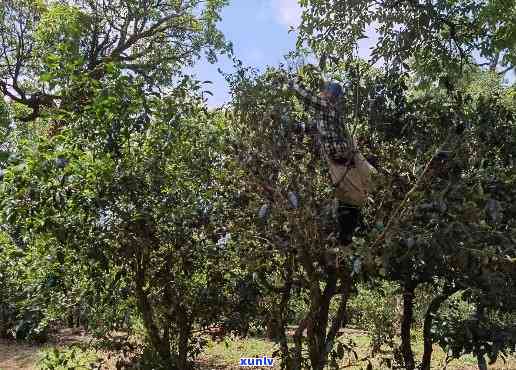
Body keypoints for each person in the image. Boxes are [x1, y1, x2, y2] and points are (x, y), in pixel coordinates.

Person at [279, 75, 376, 245]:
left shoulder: (327, 106)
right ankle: (354, 233)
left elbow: (306, 96)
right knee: (349, 196)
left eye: (325, 92)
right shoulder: (326, 115)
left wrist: (291, 81)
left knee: (353, 194)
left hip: (340, 155)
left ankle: (353, 232)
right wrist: (292, 127)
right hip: (342, 160)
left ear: (329, 95)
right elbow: (312, 127)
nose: (322, 94)